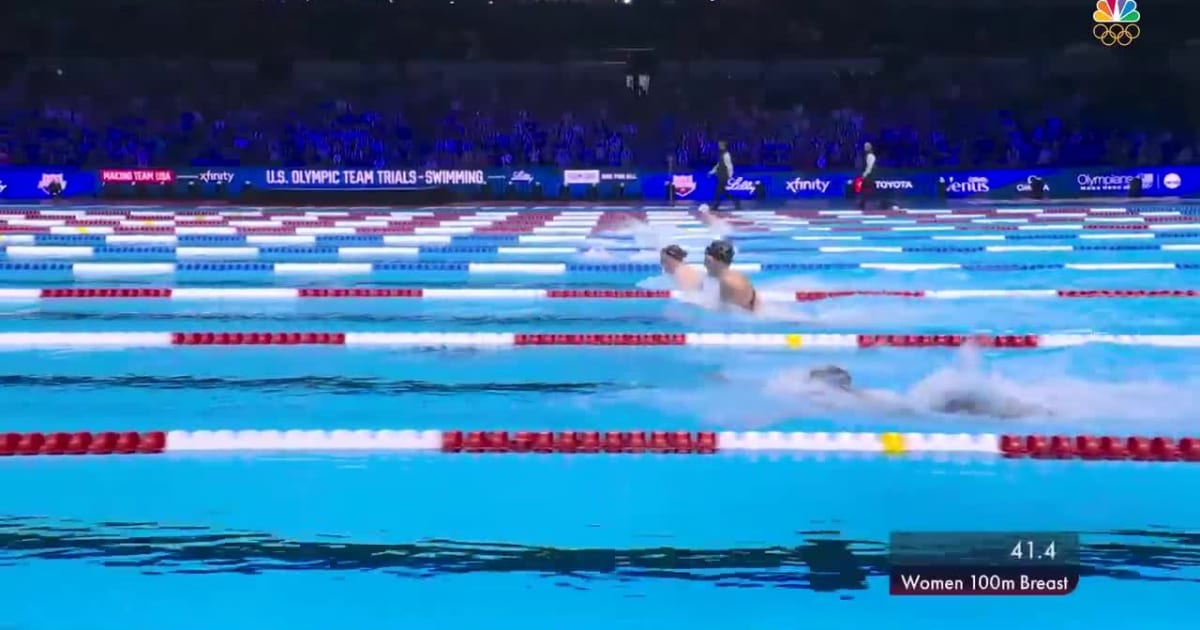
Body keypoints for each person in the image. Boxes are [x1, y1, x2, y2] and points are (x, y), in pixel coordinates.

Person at [805, 365, 1047, 418]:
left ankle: (1031, 409)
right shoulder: (856, 395)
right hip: (917, 405)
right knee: (977, 404)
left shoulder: (849, 398)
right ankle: (1033, 409)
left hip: (918, 408)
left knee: (973, 404)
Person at [703, 239, 757, 311]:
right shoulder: (741, 277)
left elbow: (725, 314)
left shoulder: (726, 282)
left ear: (710, 260)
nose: (704, 264)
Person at [709, 140, 740, 211]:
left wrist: (730, 175)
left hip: (724, 175)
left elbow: (729, 165)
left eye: (720, 144)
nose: (719, 146)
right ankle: (736, 200)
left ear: (724, 145)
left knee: (718, 191)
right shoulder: (720, 154)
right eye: (719, 144)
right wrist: (712, 172)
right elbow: (718, 164)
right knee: (723, 192)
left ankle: (716, 206)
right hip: (720, 174)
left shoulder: (726, 154)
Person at [858, 142, 876, 211]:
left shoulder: (871, 156)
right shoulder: (866, 155)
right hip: (866, 175)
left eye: (866, 146)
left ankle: (862, 204)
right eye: (865, 146)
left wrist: (864, 175)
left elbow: (869, 167)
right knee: (864, 190)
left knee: (867, 190)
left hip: (869, 175)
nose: (865, 148)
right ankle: (862, 204)